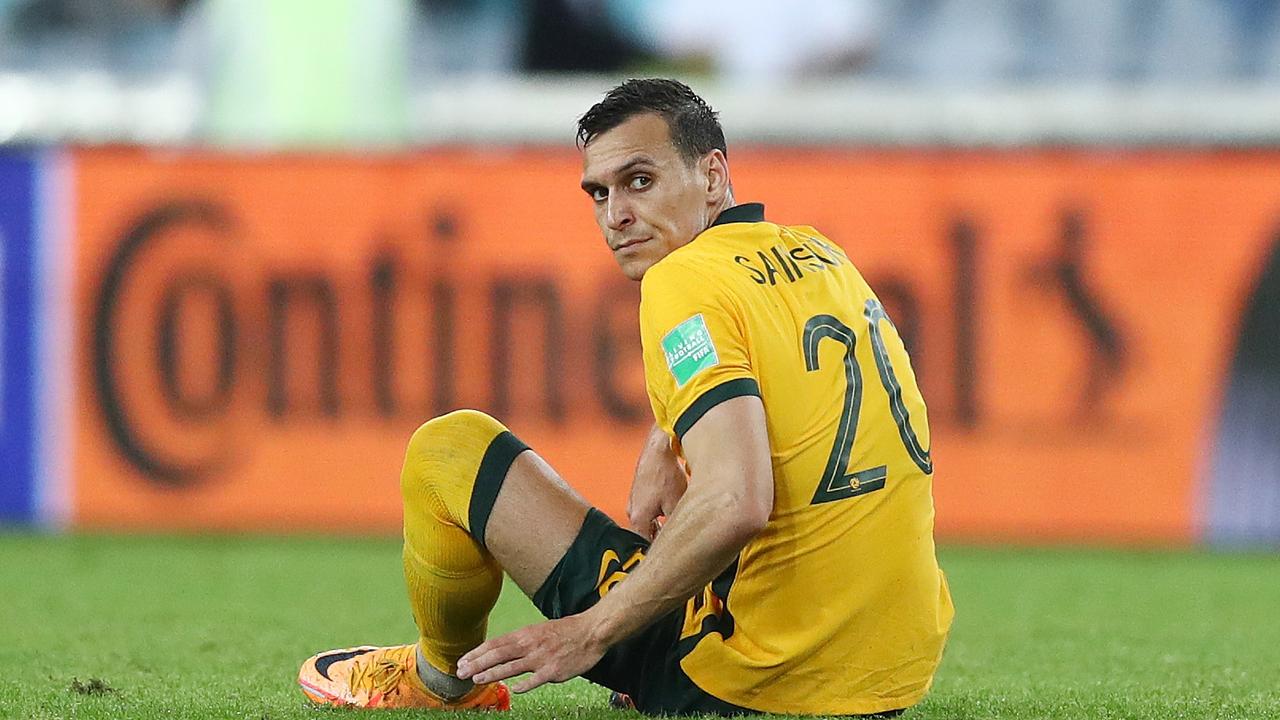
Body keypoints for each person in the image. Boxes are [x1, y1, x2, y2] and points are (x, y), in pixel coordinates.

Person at [297, 78, 953, 716]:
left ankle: (441, 679)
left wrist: (591, 633)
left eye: (640, 181)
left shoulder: (680, 281)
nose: (617, 214)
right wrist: (666, 434)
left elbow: (736, 501)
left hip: (760, 683)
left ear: (713, 177)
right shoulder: (820, 254)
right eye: (599, 193)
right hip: (895, 671)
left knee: (448, 452)